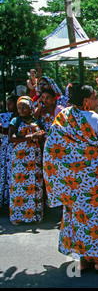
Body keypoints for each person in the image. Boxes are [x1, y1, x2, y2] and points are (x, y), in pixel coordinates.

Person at [43, 84, 98, 273]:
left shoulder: (63, 117)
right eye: (95, 97)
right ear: (86, 102)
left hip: (73, 182)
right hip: (96, 181)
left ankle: (84, 260)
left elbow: (53, 146)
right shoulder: (94, 117)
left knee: (79, 218)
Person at [8, 96, 45, 225]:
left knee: (34, 184)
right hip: (20, 158)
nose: (21, 110)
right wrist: (31, 136)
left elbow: (41, 139)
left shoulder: (37, 122)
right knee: (20, 186)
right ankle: (18, 216)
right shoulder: (15, 121)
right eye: (19, 107)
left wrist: (39, 137)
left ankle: (34, 216)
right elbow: (11, 138)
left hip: (34, 158)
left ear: (31, 108)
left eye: (24, 107)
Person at [0, 96, 18, 208]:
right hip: (5, 148)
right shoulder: (6, 116)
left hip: (13, 147)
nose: (8, 106)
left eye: (10, 104)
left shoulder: (18, 118)